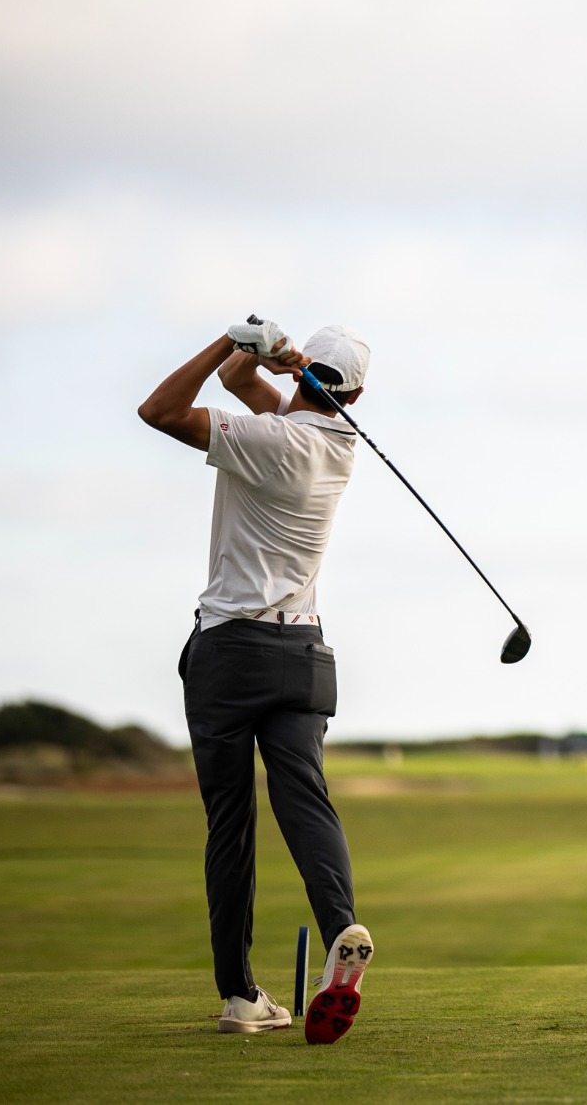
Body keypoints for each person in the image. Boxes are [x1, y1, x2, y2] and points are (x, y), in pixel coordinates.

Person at [137, 319, 377, 1043]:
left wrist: (224, 341)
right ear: (357, 392)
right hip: (303, 654)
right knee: (305, 796)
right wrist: (262, 359)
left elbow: (159, 411)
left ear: (304, 377)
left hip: (230, 651)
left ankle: (241, 994)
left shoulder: (270, 440)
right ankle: (343, 927)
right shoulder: (337, 446)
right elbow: (250, 392)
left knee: (231, 823)